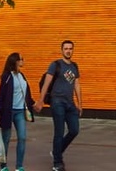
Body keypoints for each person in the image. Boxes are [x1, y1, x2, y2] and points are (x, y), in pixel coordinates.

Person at [35, 40, 82, 171]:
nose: (68, 51)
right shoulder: (55, 65)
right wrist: (41, 100)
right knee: (59, 132)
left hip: (70, 103)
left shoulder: (74, 66)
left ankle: (57, 151)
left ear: (73, 50)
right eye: (66, 48)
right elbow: (46, 83)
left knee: (74, 130)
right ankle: (57, 163)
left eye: (70, 48)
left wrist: (80, 104)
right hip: (57, 102)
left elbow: (77, 85)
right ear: (62, 50)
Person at [0, 52, 36, 171]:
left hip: (20, 111)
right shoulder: (7, 77)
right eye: (21, 59)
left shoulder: (22, 76)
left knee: (22, 137)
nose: (23, 61)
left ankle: (19, 166)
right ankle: (3, 166)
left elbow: (26, 94)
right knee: (6, 139)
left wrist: (33, 104)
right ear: (15, 61)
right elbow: (1, 95)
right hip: (8, 111)